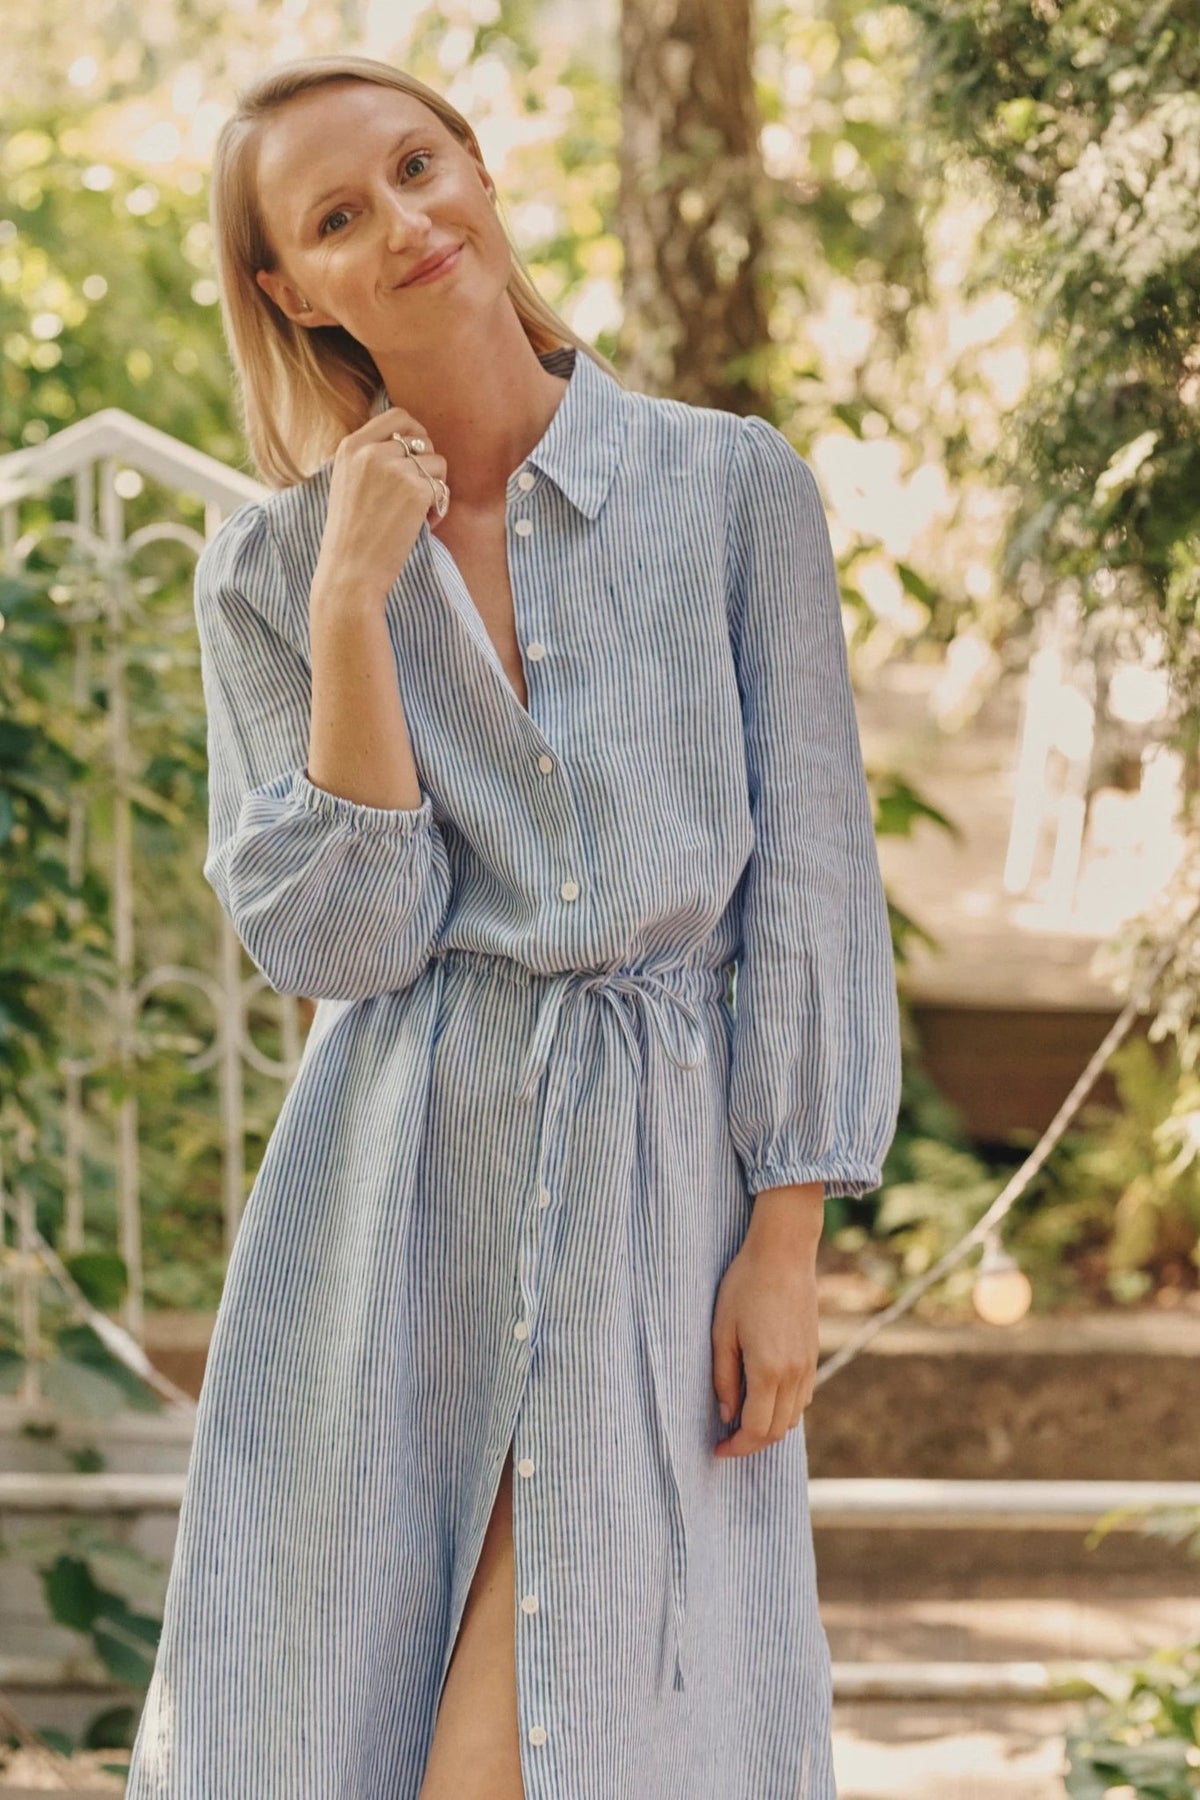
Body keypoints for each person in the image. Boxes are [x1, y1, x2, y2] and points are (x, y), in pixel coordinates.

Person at [123, 49, 902, 1800]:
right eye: (337, 216)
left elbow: (815, 881)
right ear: (285, 288)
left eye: (418, 166)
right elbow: (349, 943)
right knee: (340, 1719)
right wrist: (349, 604)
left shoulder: (726, 488)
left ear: (476, 166)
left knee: (570, 1739)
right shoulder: (267, 573)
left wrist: (788, 1240)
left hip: (656, 1180)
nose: (403, 223)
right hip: (395, 1196)